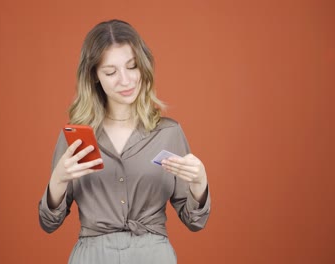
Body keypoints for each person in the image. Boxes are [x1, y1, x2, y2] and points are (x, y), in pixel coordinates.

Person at [39, 19, 211, 264]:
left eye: (132, 67)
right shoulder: (75, 137)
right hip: (92, 256)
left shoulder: (168, 133)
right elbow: (48, 223)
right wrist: (57, 181)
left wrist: (200, 184)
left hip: (154, 255)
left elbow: (195, 221)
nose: (125, 80)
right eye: (110, 72)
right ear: (95, 76)